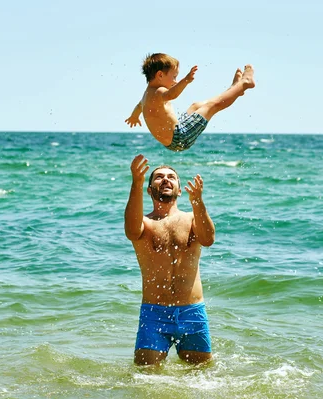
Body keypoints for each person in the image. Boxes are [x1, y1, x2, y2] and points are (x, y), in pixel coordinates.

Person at [124, 154, 216, 366]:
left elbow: (208, 239)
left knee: (202, 378)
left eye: (171, 177)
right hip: (154, 313)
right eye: (158, 177)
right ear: (149, 190)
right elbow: (130, 230)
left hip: (192, 312)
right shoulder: (144, 223)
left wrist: (198, 202)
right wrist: (136, 184)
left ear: (179, 189)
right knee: (145, 378)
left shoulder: (193, 219)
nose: (165, 179)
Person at [125, 53, 255, 152]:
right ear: (160, 75)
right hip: (180, 137)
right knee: (212, 106)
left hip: (174, 138)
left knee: (196, 106)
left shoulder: (147, 95)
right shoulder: (159, 91)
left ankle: (234, 90)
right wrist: (186, 80)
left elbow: (139, 106)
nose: (175, 81)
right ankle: (244, 83)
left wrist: (134, 116)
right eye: (174, 77)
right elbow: (172, 94)